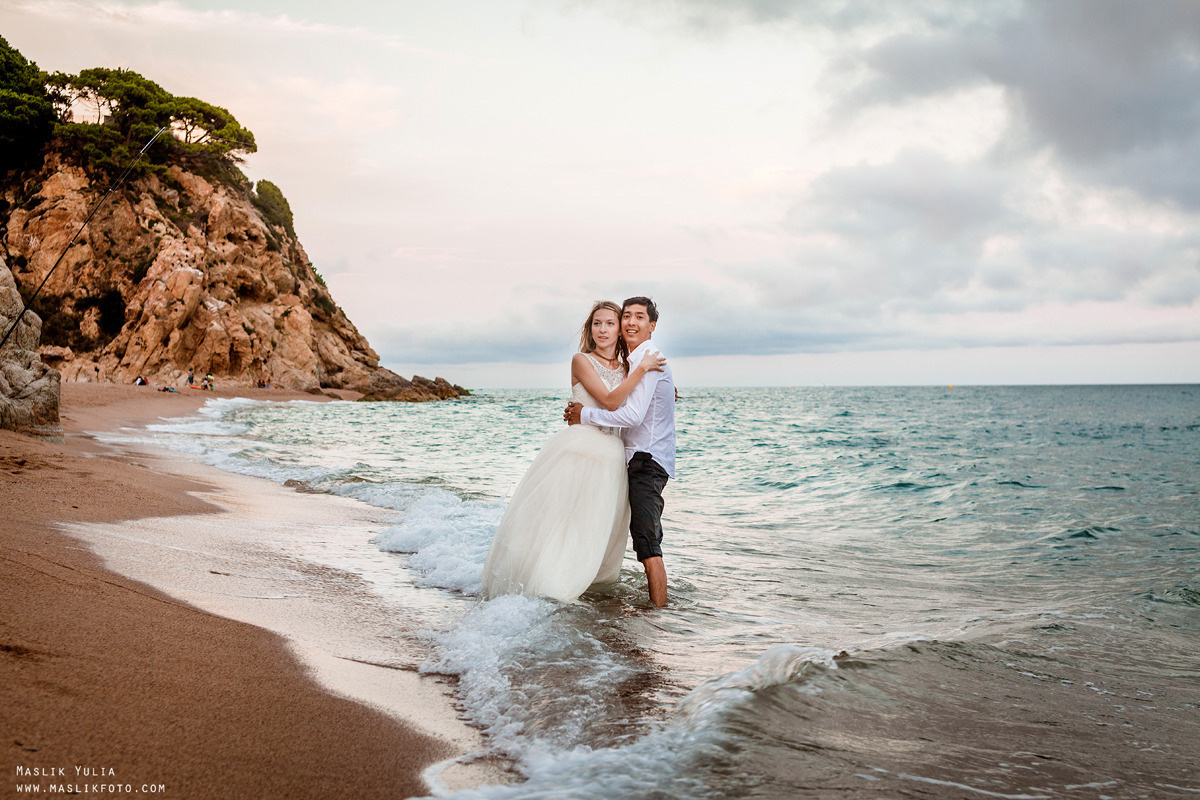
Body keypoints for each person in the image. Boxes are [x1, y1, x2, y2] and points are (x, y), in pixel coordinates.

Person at [482, 301, 666, 602]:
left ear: (620, 330)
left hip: (612, 457)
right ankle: (548, 589)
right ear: (589, 329)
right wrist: (643, 370)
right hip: (580, 450)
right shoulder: (582, 360)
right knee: (561, 522)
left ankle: (585, 592)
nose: (602, 330)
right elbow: (610, 401)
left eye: (610, 323)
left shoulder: (627, 367)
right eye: (596, 323)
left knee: (592, 527)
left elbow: (641, 400)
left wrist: (661, 387)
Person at [566, 297, 675, 608]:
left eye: (639, 317)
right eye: (626, 316)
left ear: (652, 325)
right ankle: (579, 587)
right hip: (610, 455)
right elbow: (625, 401)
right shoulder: (633, 362)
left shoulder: (645, 360)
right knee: (590, 523)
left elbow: (631, 413)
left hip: (642, 459)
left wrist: (584, 414)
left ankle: (659, 617)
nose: (630, 323)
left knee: (644, 541)